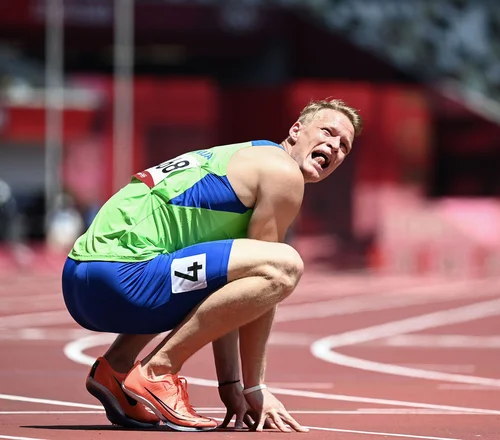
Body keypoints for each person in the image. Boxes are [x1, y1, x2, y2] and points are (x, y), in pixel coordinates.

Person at [61, 99, 362, 432]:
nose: (334, 146)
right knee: (285, 264)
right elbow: (269, 279)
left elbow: (232, 293)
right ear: (296, 130)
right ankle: (158, 372)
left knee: (218, 270)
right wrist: (254, 387)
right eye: (327, 132)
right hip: (121, 275)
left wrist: (230, 383)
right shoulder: (282, 171)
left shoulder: (246, 156)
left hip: (82, 277)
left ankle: (115, 369)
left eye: (344, 145)